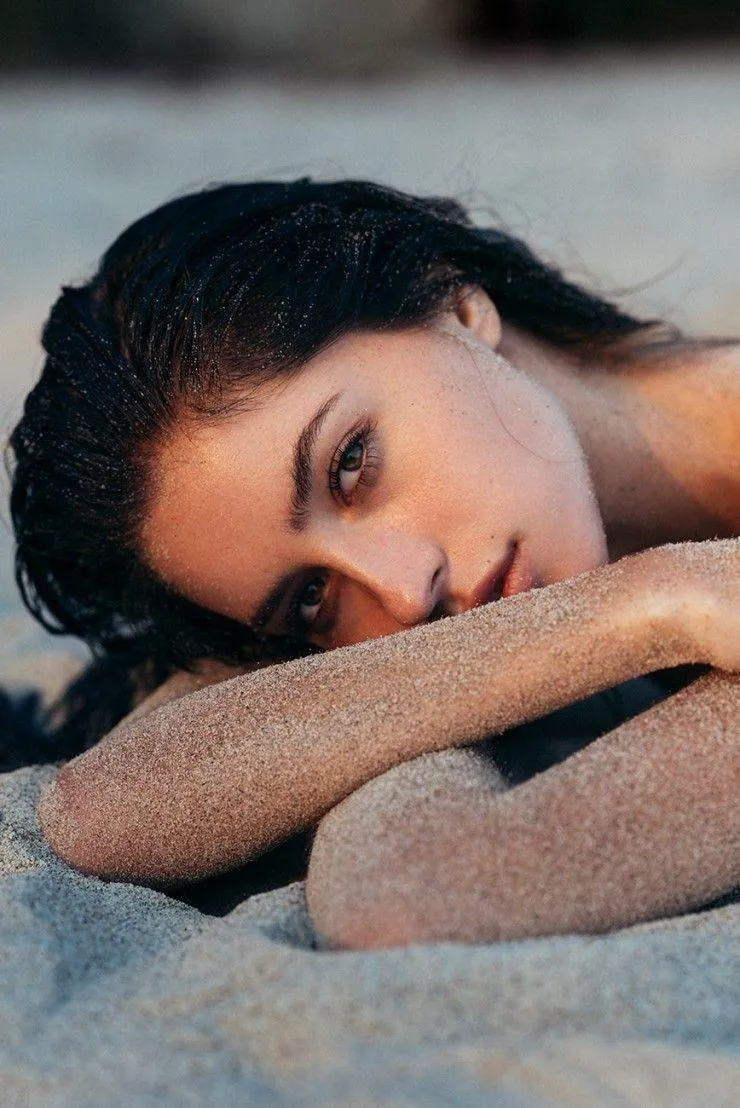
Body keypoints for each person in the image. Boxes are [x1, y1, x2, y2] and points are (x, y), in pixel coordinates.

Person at [8, 179, 740, 949]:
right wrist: (646, 605)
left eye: (352, 462)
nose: (401, 590)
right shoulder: (644, 592)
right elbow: (101, 809)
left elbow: (419, 891)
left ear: (459, 308)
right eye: (311, 597)